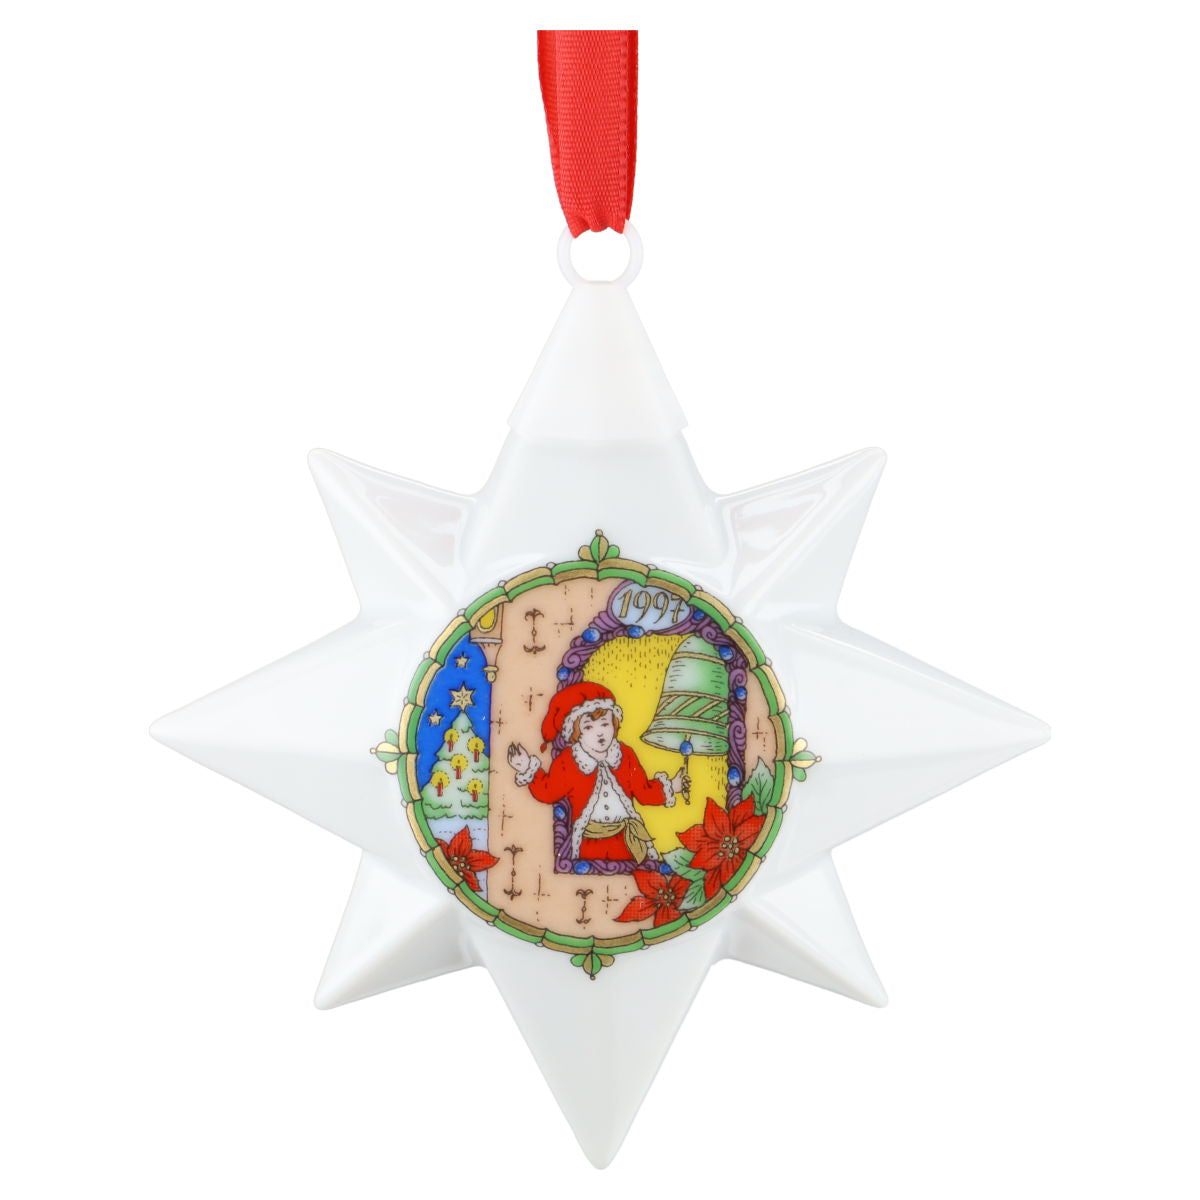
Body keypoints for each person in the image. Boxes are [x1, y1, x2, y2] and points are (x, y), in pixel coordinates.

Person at [507, 682, 688, 864]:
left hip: (626, 841)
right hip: (590, 842)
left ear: (614, 723)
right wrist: (526, 766)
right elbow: (549, 791)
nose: (600, 733)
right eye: (588, 727)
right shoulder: (569, 761)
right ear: (576, 732)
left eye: (604, 723)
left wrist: (673, 785)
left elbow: (644, 791)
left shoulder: (625, 755)